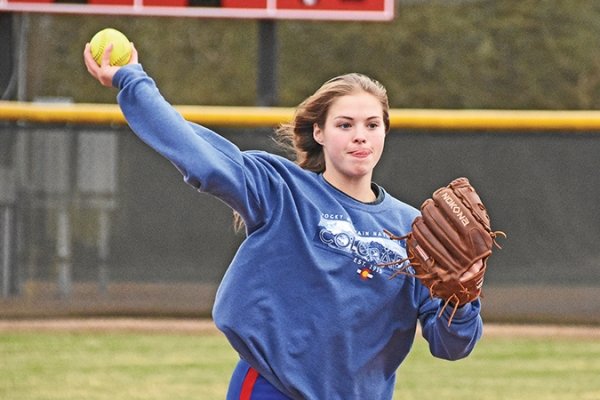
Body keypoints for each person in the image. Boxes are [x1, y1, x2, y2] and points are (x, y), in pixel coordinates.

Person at [84, 42, 484, 400]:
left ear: (384, 133)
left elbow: (451, 346)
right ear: (320, 133)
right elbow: (200, 157)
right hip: (273, 389)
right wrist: (132, 81)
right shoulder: (283, 189)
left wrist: (462, 301)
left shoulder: (414, 230)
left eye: (372, 125)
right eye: (345, 124)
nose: (360, 136)